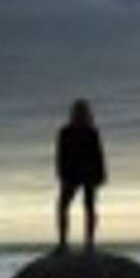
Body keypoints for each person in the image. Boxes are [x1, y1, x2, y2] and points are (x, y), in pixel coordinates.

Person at [55, 99, 107, 252]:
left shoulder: (76, 132)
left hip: (77, 173)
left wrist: (61, 174)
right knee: (82, 207)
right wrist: (101, 175)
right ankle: (82, 243)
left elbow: (97, 155)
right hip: (81, 173)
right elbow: (61, 155)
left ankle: (71, 243)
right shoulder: (87, 132)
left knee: (72, 207)